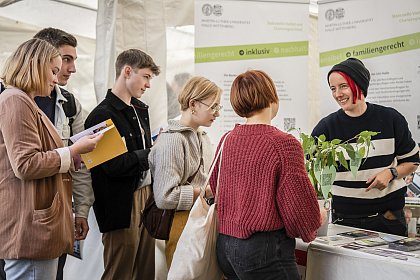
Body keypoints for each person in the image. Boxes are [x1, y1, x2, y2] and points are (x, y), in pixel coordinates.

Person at [0, 38, 101, 280]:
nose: (56, 79)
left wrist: (72, 154)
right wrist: (74, 151)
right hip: (31, 228)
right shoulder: (16, 100)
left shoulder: (23, 101)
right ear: (35, 65)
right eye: (53, 71)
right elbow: (26, 164)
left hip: (34, 224)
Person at [209, 70, 322, 279]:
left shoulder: (227, 139)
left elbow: (216, 186)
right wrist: (315, 221)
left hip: (226, 246)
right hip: (264, 251)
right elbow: (298, 208)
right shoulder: (284, 143)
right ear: (272, 97)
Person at [311, 57, 420, 236]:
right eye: (333, 88)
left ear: (360, 85)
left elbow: (413, 161)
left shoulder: (391, 120)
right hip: (344, 221)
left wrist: (391, 173)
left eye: (343, 86)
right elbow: (308, 168)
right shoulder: (327, 127)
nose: (338, 94)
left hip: (388, 218)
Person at [84, 49, 160, 280]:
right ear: (127, 71)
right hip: (121, 204)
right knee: (120, 272)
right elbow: (113, 166)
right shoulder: (99, 116)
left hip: (146, 197)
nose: (148, 85)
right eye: (146, 76)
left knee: (145, 271)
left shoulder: (139, 110)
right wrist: (153, 153)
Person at [32, 27, 94, 280]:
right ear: (42, 57)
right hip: (13, 212)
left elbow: (81, 164)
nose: (71, 68)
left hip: (53, 212)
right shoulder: (9, 98)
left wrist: (80, 210)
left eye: (73, 60)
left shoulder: (69, 104)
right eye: (65, 60)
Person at [148, 76, 222, 268]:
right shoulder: (172, 141)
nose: (217, 113)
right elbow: (165, 197)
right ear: (193, 104)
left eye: (218, 107)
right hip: (181, 222)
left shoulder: (202, 137)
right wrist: (203, 192)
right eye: (213, 106)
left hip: (200, 218)